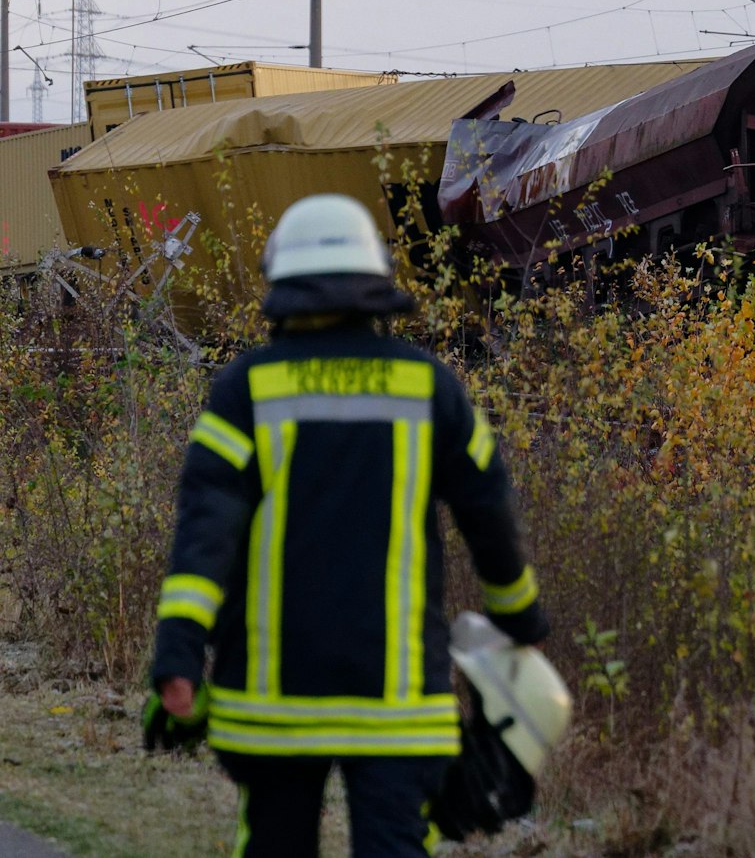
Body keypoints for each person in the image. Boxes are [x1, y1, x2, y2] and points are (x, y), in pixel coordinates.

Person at [145, 193, 549, 856]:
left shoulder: (245, 390)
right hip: (396, 706)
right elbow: (489, 517)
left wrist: (179, 654)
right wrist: (522, 621)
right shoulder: (430, 388)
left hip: (273, 705)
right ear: (375, 283)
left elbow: (204, 533)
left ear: (282, 285)